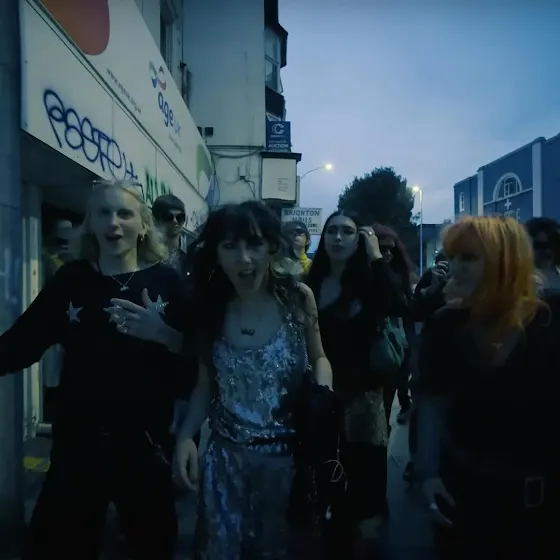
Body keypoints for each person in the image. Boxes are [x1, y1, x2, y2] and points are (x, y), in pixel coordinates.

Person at [0, 179, 191, 560]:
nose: (113, 223)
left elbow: (201, 358)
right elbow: (21, 344)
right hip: (78, 445)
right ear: (90, 223)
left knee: (152, 546)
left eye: (124, 213)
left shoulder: (167, 282)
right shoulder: (71, 280)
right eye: (103, 213)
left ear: (143, 224)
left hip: (145, 445)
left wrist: (164, 334)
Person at [173, 201, 334, 559]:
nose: (243, 259)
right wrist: (185, 437)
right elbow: (204, 385)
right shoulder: (209, 308)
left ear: (272, 247)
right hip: (224, 468)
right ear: (216, 253)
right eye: (230, 246)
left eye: (255, 244)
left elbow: (320, 357)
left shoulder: (297, 298)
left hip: (289, 466)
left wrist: (323, 400)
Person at [416, 216, 558, 559]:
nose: (455, 268)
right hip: (463, 497)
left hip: (540, 503)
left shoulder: (551, 320)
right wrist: (428, 474)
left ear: (504, 261)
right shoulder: (444, 325)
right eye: (452, 257)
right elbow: (432, 403)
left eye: (468, 258)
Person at [306, 211, 407, 559]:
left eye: (347, 232)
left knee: (364, 476)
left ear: (359, 239)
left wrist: (376, 254)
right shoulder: (310, 282)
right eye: (332, 231)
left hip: (363, 397)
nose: (338, 238)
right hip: (321, 392)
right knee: (322, 472)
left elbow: (398, 304)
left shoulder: (369, 281)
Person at [373, 223, 416, 427]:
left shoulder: (399, 274)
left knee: (388, 399)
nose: (388, 253)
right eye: (382, 249)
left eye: (391, 249)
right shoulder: (364, 273)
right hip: (372, 345)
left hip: (396, 342)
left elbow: (405, 307)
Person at [152, 193, 191, 281]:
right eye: (168, 217)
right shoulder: (144, 253)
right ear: (155, 220)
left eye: (180, 217)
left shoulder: (192, 254)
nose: (175, 221)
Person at [525, 217, 560, 294]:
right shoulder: (521, 280)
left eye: (552, 245)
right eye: (540, 246)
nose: (548, 251)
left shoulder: (555, 272)